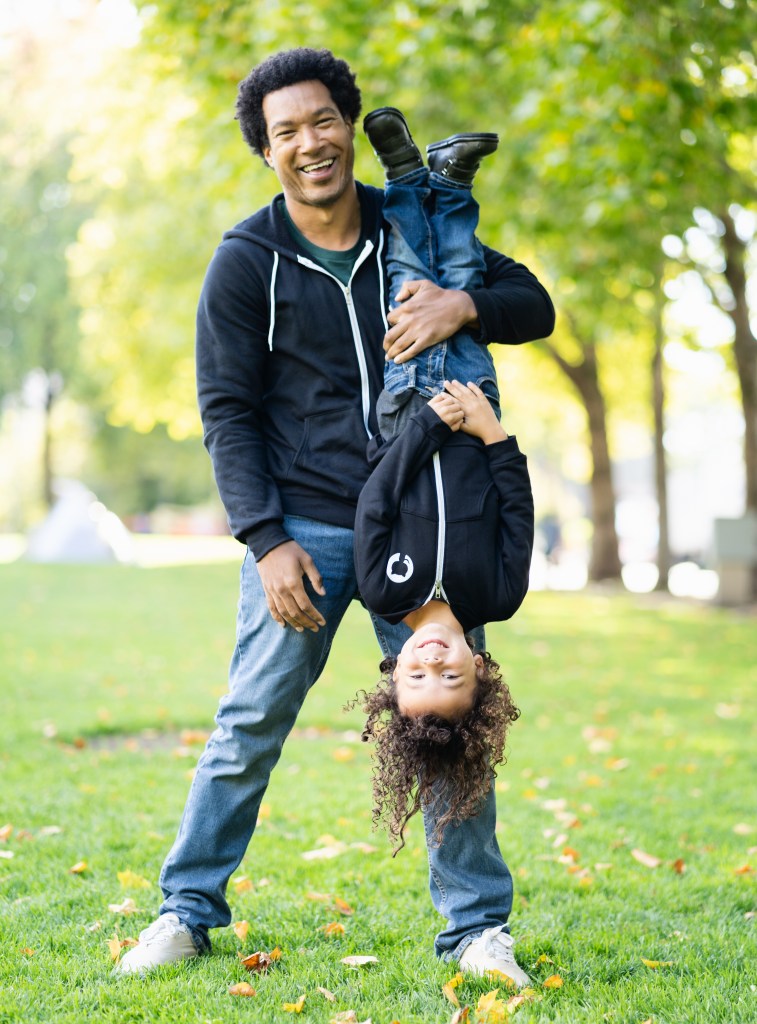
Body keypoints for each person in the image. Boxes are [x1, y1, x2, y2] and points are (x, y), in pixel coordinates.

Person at [115, 47, 555, 987]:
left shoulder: (414, 223)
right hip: (308, 526)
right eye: (286, 133)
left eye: (322, 121)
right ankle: (185, 911)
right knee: (251, 718)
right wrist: (264, 539)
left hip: (423, 516)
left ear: (348, 125)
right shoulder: (246, 262)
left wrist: (460, 305)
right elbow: (226, 412)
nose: (309, 143)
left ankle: (475, 931)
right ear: (265, 152)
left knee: (448, 717)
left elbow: (534, 305)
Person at [351, 110, 534, 856]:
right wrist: (488, 432)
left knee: (411, 287)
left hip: (405, 410)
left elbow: (376, 502)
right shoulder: (495, 599)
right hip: (475, 405)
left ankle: (405, 182)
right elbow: (517, 511)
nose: (434, 664)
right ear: (480, 671)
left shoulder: (384, 592)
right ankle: (448, 181)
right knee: (456, 289)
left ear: (393, 674)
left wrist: (425, 424)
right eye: (448, 679)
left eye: (417, 678)